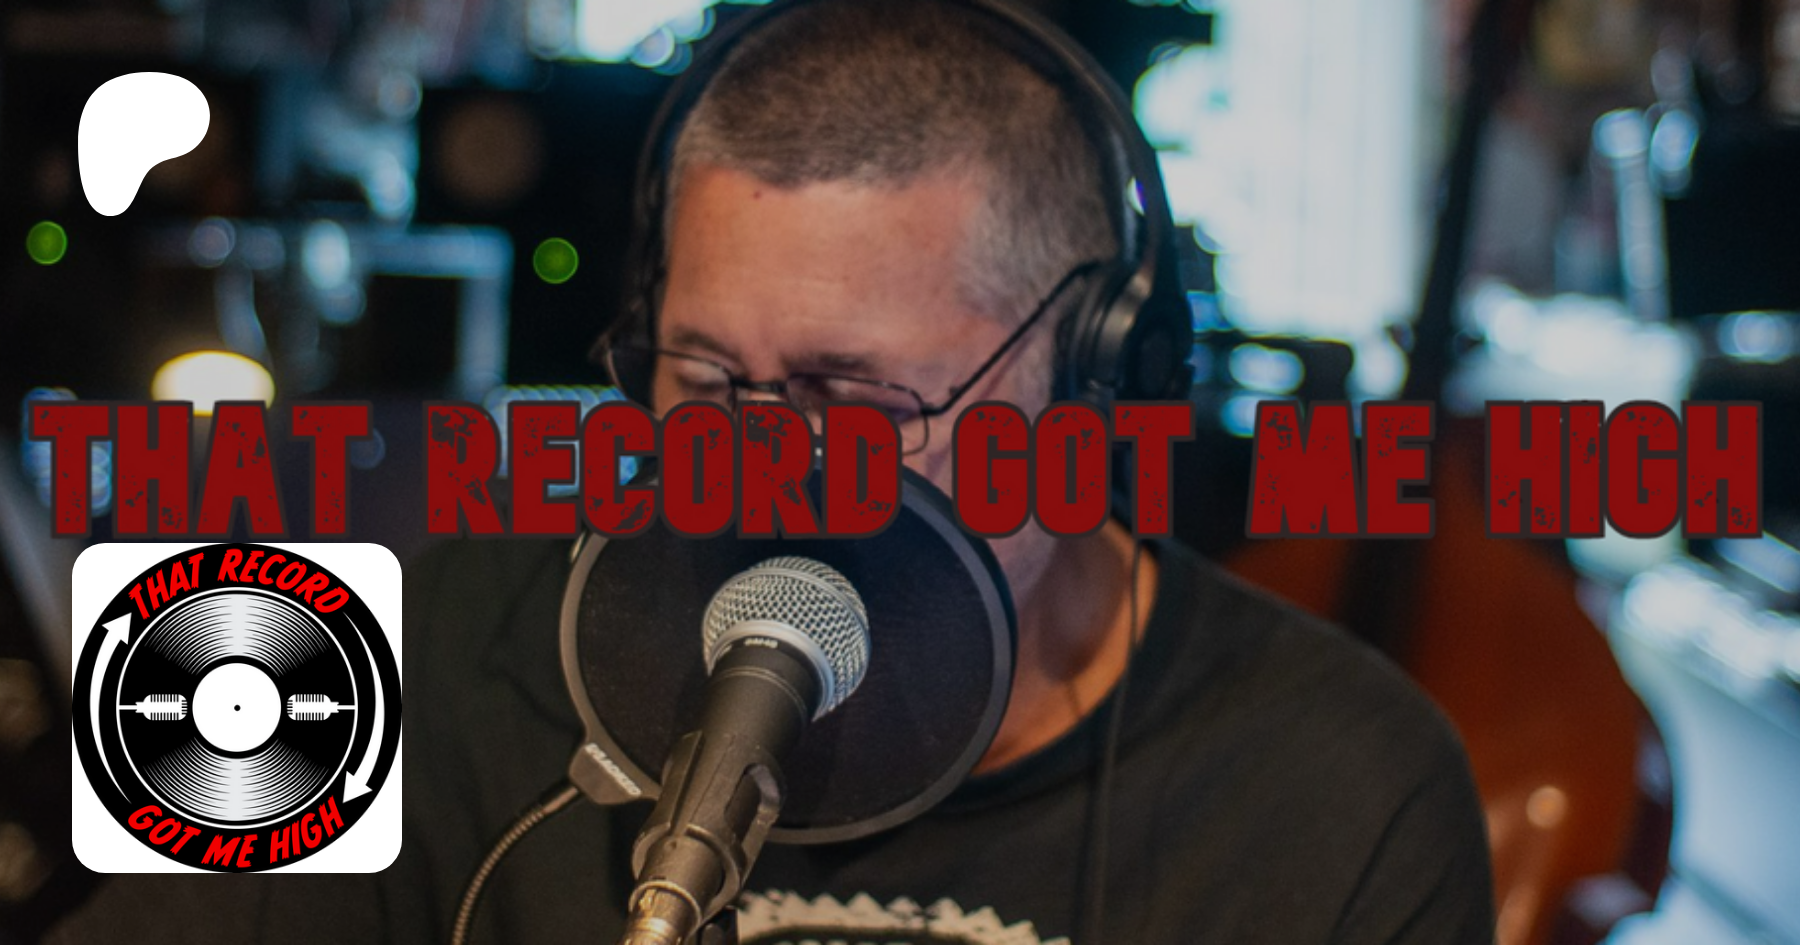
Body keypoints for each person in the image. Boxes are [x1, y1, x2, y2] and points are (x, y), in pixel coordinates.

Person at [48, 2, 1494, 943]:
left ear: (1086, 390)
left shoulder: (1340, 789)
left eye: (848, 398)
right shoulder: (429, 631)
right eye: (702, 378)